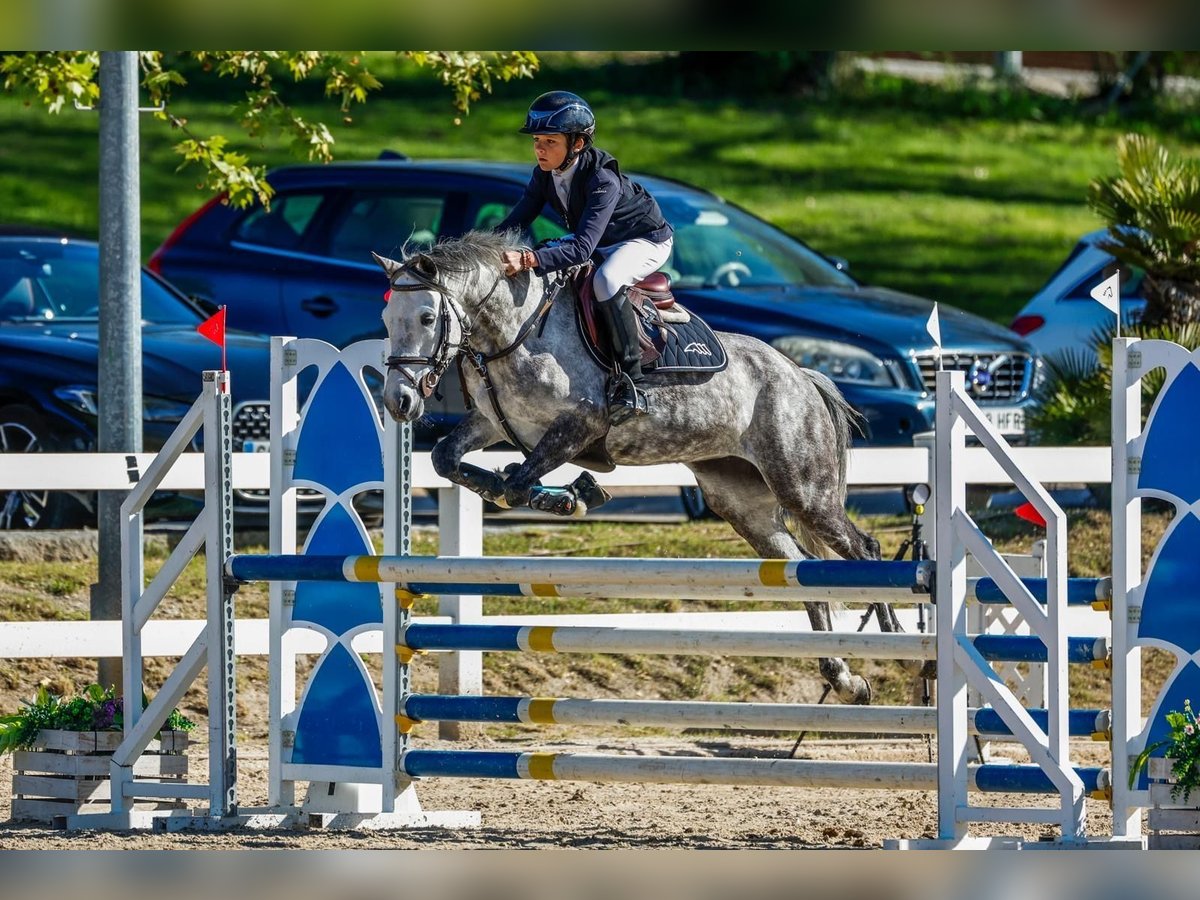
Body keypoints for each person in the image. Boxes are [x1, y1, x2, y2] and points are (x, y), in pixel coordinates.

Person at [493, 90, 674, 425]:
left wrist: (529, 260)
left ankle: (633, 383)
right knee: (550, 256)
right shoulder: (543, 174)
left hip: (643, 240)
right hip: (598, 240)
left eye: (550, 141)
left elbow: (580, 250)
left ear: (577, 144)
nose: (540, 149)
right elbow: (516, 221)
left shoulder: (602, 179)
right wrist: (482, 249)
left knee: (606, 280)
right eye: (536, 141)